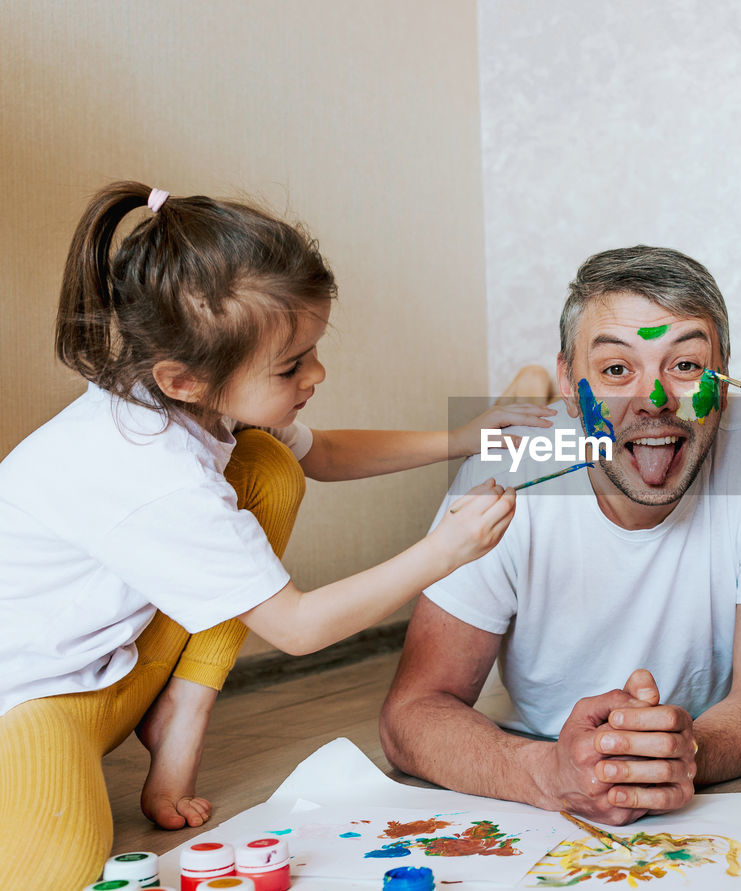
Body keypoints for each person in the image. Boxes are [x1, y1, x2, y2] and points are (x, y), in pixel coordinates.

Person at [0, 182, 552, 887]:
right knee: (52, 869)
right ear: (183, 378)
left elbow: (321, 455)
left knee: (271, 466)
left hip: (114, 666)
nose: (317, 373)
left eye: (314, 349)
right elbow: (294, 628)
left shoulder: (195, 403)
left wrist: (461, 437)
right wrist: (441, 551)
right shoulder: (150, 472)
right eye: (293, 365)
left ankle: (179, 716)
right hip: (31, 702)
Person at [380, 245, 741, 825]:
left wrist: (680, 756)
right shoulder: (504, 471)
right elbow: (413, 710)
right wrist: (545, 772)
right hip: (540, 740)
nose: (653, 401)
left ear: (725, 380)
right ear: (566, 382)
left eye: (685, 367)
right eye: (614, 370)